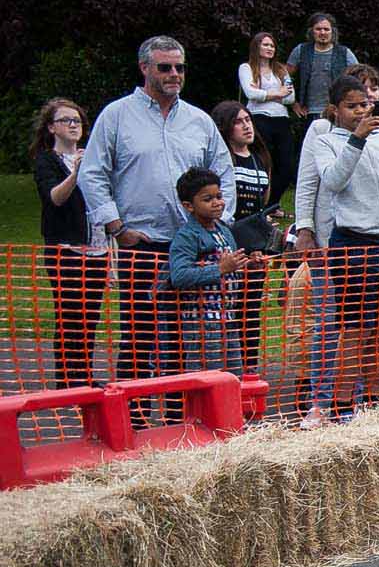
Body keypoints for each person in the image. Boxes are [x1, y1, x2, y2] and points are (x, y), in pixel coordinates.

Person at [78, 36, 235, 420]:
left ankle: (181, 418)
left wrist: (216, 223)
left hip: (194, 246)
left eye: (179, 67)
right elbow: (92, 173)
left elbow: (224, 173)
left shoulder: (198, 120)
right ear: (144, 68)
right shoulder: (116, 116)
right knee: (140, 335)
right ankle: (133, 418)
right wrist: (116, 226)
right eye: (165, 67)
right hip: (143, 244)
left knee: (190, 336)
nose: (174, 74)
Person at [299, 74, 379, 427]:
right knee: (355, 330)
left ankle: (373, 399)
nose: (360, 111)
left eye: (365, 105)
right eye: (352, 106)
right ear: (336, 109)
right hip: (354, 243)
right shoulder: (326, 141)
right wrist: (356, 140)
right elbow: (333, 180)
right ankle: (342, 404)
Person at [32, 98, 106, 388]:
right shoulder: (47, 161)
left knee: (91, 316)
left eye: (77, 121)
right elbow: (54, 198)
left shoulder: (93, 159)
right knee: (70, 314)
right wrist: (76, 173)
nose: (74, 125)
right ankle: (67, 377)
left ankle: (84, 374)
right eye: (67, 120)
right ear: (52, 127)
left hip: (96, 249)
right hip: (66, 250)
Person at [166, 167, 266, 375]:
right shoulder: (187, 236)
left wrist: (249, 265)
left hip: (228, 319)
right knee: (208, 379)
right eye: (207, 199)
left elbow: (232, 269)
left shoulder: (224, 231)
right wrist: (221, 268)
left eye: (219, 196)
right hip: (202, 323)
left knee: (232, 377)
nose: (217, 202)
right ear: (188, 206)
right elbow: (179, 276)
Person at [212, 101, 278, 372]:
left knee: (250, 313)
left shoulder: (259, 158)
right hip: (229, 242)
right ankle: (226, 370)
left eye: (248, 119)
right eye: (239, 121)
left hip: (255, 248)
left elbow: (262, 203)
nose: (247, 125)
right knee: (227, 312)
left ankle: (248, 369)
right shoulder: (222, 159)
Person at [238, 32, 296, 197]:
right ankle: (262, 202)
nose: (269, 48)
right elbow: (251, 94)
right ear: (256, 46)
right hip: (259, 118)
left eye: (272, 45)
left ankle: (274, 202)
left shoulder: (281, 70)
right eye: (265, 44)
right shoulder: (246, 68)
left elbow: (290, 97)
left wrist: (264, 93)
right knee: (264, 161)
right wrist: (279, 93)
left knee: (287, 165)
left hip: (281, 120)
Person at [286, 13, 357, 125]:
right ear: (312, 31)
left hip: (337, 112)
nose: (322, 32)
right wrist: (293, 103)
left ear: (332, 32)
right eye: (318, 29)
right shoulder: (301, 51)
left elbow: (359, 80)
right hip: (309, 113)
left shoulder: (344, 53)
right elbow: (284, 77)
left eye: (326, 29)